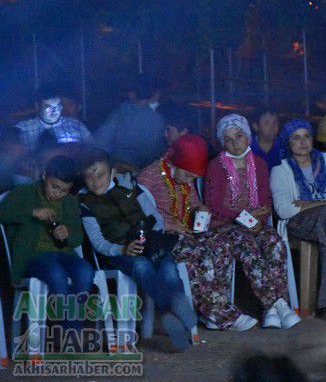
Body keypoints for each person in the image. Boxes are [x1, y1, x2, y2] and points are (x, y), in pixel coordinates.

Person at [137, 134, 266, 331]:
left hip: (188, 232)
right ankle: (220, 314)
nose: (190, 181)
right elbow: (142, 215)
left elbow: (193, 204)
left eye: (194, 178)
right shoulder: (149, 177)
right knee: (199, 252)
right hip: (163, 238)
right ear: (176, 163)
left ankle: (213, 313)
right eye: (188, 176)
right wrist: (169, 225)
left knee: (222, 244)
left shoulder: (186, 177)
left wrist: (201, 210)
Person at [78, 148, 196, 351]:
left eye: (101, 174)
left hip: (150, 243)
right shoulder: (85, 203)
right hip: (119, 253)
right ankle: (172, 311)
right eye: (89, 176)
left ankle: (173, 315)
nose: (96, 180)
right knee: (142, 266)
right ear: (83, 177)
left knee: (168, 269)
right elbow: (98, 242)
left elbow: (155, 217)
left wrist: (152, 236)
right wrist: (122, 249)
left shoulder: (131, 187)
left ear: (112, 172)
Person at [205, 114, 301, 329]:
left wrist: (260, 219)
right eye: (228, 139)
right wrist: (239, 216)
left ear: (248, 137)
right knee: (247, 245)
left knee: (274, 242)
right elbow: (213, 205)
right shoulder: (216, 166)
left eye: (238, 136)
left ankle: (269, 312)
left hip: (254, 223)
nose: (234, 143)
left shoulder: (258, 164)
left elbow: (266, 199)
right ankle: (277, 303)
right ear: (222, 142)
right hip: (227, 226)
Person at [271, 119, 326, 321]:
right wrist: (322, 205)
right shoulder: (281, 169)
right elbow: (283, 209)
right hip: (297, 223)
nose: (303, 142)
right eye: (296, 137)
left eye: (307, 136)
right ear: (287, 142)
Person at [0, 156, 93, 338]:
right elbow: (3, 213)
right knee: (55, 273)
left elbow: (77, 238)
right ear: (45, 176)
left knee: (86, 271)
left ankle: (67, 326)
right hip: (32, 256)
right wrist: (32, 213)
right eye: (54, 186)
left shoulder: (70, 202)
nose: (58, 193)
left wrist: (67, 233)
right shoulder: (24, 192)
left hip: (63, 254)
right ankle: (70, 330)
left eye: (64, 190)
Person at [94, 77, 165, 170]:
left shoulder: (119, 112)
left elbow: (101, 142)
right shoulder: (157, 119)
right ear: (154, 95)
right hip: (142, 172)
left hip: (117, 168)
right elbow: (154, 153)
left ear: (132, 94)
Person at [15, 85, 93, 151]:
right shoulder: (23, 129)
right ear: (37, 106)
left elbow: (92, 150)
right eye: (49, 108)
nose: (54, 112)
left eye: (57, 106)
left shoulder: (76, 125)